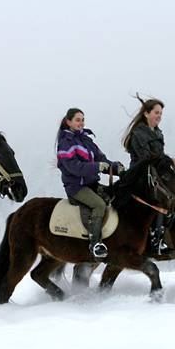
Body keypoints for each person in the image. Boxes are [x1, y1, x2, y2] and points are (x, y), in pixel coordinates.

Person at [56, 108, 124, 259]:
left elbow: (101, 159)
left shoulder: (86, 140)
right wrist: (96, 167)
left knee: (115, 197)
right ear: (68, 122)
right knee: (99, 204)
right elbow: (73, 167)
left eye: (82, 120)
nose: (81, 123)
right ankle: (95, 244)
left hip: (92, 184)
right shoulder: (65, 143)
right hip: (76, 187)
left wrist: (115, 168)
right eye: (77, 120)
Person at [122, 94, 175, 255]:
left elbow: (158, 156)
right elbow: (146, 157)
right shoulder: (138, 133)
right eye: (156, 113)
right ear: (146, 113)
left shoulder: (158, 133)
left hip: (155, 173)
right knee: (161, 197)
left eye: (161, 113)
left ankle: (165, 235)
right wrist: (167, 160)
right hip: (140, 175)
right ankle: (154, 240)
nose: (159, 116)